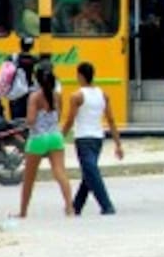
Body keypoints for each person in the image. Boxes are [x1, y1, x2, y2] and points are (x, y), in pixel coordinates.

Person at [61, 62, 124, 215]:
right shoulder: (102, 94)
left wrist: (60, 136)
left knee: (91, 171)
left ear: (80, 76)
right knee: (89, 172)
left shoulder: (77, 96)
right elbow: (111, 120)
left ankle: (106, 205)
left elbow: (70, 120)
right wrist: (118, 143)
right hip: (98, 138)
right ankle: (76, 206)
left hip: (83, 138)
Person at [18, 63, 74, 218]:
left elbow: (31, 120)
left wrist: (24, 123)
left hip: (38, 139)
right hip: (55, 137)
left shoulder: (34, 96)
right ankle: (69, 206)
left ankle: (23, 211)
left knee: (29, 178)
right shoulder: (57, 95)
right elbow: (59, 114)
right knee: (60, 173)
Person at [0, 37, 37, 122]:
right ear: (32, 46)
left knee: (15, 119)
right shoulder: (34, 59)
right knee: (26, 117)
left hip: (14, 91)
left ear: (20, 45)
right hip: (29, 92)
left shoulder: (12, 58)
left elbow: (5, 74)